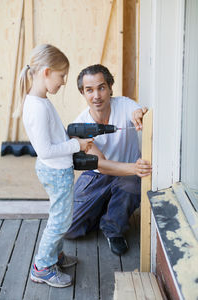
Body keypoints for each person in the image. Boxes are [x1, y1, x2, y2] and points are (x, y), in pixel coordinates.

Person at [16, 44, 93, 288]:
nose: (63, 82)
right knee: (60, 221)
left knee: (59, 216)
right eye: (62, 77)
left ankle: (55, 255)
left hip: (57, 169)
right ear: (47, 72)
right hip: (55, 170)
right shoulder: (37, 107)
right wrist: (76, 146)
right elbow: (45, 150)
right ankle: (42, 267)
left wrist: (71, 141)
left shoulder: (40, 100)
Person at [65, 64, 152, 255]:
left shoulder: (125, 105)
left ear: (110, 87)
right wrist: (134, 168)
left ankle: (113, 229)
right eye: (89, 90)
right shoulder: (80, 124)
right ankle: (107, 209)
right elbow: (100, 164)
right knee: (69, 229)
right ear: (83, 92)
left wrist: (140, 114)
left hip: (127, 176)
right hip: (97, 174)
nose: (96, 95)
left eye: (101, 87)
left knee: (131, 185)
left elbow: (138, 112)